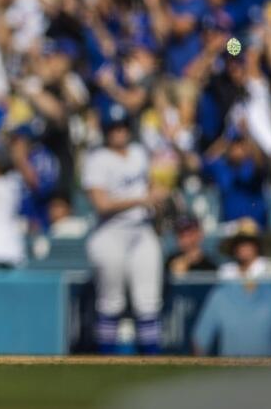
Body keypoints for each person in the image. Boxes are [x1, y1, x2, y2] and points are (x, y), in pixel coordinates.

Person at [83, 104, 166, 355]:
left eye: (122, 127)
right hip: (111, 231)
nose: (118, 132)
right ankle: (106, 362)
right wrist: (141, 199)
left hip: (142, 229)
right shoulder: (97, 159)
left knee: (148, 301)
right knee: (111, 302)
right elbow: (101, 204)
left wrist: (157, 198)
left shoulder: (139, 152)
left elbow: (151, 189)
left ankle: (152, 362)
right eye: (113, 128)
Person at [191, 222, 271, 357]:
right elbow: (200, 340)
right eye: (240, 243)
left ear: (257, 245)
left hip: (265, 374)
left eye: (249, 242)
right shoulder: (221, 290)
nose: (244, 247)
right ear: (234, 247)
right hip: (230, 373)